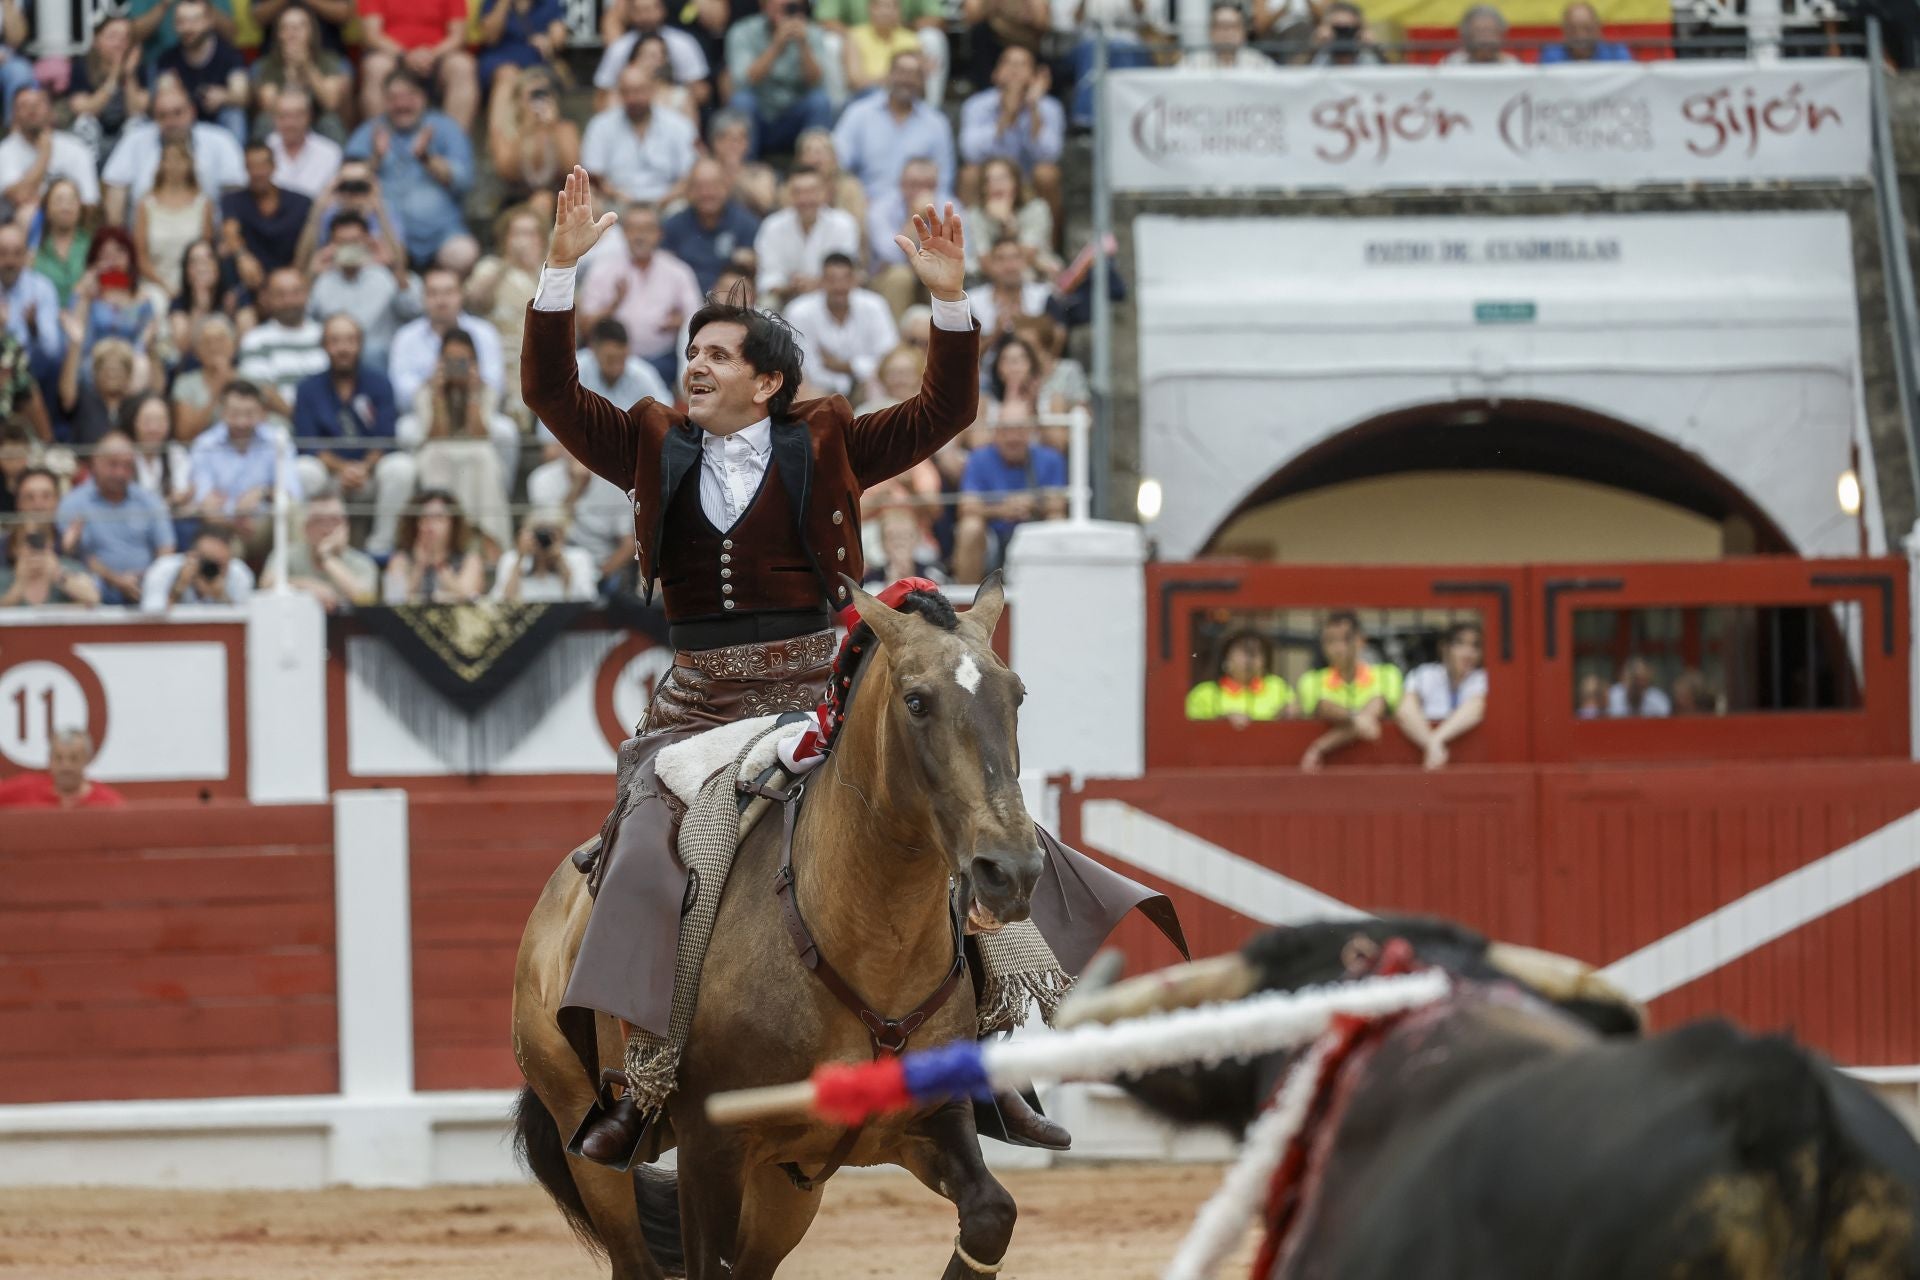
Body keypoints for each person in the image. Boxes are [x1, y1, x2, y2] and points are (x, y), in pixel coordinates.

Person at [525, 164, 1168, 1161]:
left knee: (957, 811)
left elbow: (936, 417)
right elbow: (552, 393)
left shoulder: (820, 438)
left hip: (810, 688)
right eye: (691, 350)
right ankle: (646, 1080)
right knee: (643, 855)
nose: (694, 365)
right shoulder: (652, 440)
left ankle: (1003, 1063)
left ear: (769, 380)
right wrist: (557, 277)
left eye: (719, 353)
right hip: (695, 705)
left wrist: (951, 302)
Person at [292, 313, 416, 555]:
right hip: (330, 476)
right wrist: (342, 469)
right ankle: (304, 549)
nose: (343, 348)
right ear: (325, 346)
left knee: (402, 467)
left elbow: (386, 439)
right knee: (302, 470)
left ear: (360, 344)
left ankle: (382, 548)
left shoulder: (379, 383)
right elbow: (307, 443)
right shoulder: (308, 388)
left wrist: (363, 468)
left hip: (368, 475)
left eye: (349, 340)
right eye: (335, 341)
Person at [344, 71, 478, 273]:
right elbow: (347, 180)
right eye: (394, 98)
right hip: (384, 235)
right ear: (384, 101)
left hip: (441, 235)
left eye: (410, 96)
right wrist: (376, 160)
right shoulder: (371, 130)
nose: (402, 105)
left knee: (463, 253)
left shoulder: (444, 127)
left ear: (424, 97)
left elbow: (464, 180)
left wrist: (427, 159)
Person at [398, 329, 513, 553]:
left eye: (463, 361)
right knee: (436, 454)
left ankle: (490, 540)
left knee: (485, 456)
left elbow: (479, 435)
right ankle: (438, 529)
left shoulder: (485, 390)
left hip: (474, 453)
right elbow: (435, 436)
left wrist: (472, 394)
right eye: (450, 361)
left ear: (474, 362)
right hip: (438, 452)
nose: (456, 367)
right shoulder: (426, 392)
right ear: (440, 362)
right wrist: (438, 396)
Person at [577, 203, 705, 393]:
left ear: (659, 234)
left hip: (662, 362)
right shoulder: (602, 269)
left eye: (647, 229)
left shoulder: (678, 272)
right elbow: (585, 327)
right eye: (633, 229)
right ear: (624, 233)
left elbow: (697, 323)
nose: (640, 236)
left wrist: (680, 321)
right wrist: (612, 306)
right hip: (609, 363)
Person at [102, 77, 246, 227]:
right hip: (144, 239)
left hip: (206, 242)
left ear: (192, 112)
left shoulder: (221, 140)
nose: (171, 122)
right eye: (162, 115)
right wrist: (117, 235)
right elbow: (115, 187)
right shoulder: (134, 140)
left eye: (177, 113)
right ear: (154, 118)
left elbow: (235, 192)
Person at [56, 432, 177, 604]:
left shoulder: (149, 501)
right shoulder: (74, 504)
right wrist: (116, 580)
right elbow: (81, 557)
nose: (120, 473)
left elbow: (165, 551)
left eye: (127, 466)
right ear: (95, 462)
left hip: (144, 587)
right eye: (112, 465)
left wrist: (146, 578)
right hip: (95, 590)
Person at [832, 51, 953, 203]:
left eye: (914, 74)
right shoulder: (859, 113)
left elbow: (944, 178)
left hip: (918, 209)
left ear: (922, 81)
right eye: (901, 72)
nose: (907, 80)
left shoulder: (936, 123)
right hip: (867, 204)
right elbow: (838, 159)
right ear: (889, 75)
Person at [306, 210, 422, 369]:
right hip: (333, 360)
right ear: (331, 246)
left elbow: (415, 310)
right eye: (342, 242)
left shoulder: (386, 276)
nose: (349, 247)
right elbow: (302, 321)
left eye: (354, 241)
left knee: (372, 352)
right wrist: (309, 277)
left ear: (368, 242)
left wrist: (394, 268)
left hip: (380, 360)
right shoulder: (322, 281)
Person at [952, 418, 1065, 581]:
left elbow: (1058, 506)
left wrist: (1032, 504)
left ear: (1030, 433)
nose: (1013, 438)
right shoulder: (978, 458)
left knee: (1057, 523)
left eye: (1019, 431)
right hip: (991, 533)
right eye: (1006, 431)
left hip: (1034, 527)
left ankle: (1054, 592)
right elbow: (965, 507)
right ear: (995, 434)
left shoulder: (1050, 459)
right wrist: (1001, 509)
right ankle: (967, 602)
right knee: (970, 527)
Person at [725, 0, 835, 159]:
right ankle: (746, 171)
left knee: (819, 101)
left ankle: (814, 171)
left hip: (794, 115)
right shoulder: (743, 30)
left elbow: (816, 81)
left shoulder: (812, 32)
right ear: (764, 4)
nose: (783, 4)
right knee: (742, 101)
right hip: (759, 115)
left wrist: (803, 45)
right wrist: (777, 45)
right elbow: (744, 80)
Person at [957, 46, 1060, 216]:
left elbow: (1049, 155)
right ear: (995, 74)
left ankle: (1048, 242)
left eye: (1022, 64)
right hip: (989, 179)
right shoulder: (976, 105)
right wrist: (1006, 117)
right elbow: (970, 153)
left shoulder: (1049, 108)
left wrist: (1033, 110)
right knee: (969, 175)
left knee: (1047, 174)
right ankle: (967, 240)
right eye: (1008, 63)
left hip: (1028, 182)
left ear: (1035, 76)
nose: (1015, 70)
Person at [582, 62, 701, 208]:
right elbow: (594, 176)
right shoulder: (600, 125)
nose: (633, 98)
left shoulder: (679, 125)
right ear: (619, 93)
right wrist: (616, 195)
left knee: (682, 208)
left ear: (653, 89)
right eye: (627, 92)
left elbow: (690, 174)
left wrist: (666, 199)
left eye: (638, 91)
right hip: (617, 201)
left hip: (668, 201)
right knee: (592, 206)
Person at [387, 265, 507, 408]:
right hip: (424, 415)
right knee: (406, 429)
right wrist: (431, 385)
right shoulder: (405, 337)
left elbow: (497, 385)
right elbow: (400, 393)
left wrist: (472, 382)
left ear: (461, 295)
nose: (441, 300)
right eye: (433, 293)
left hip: (476, 409)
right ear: (423, 297)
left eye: (448, 292)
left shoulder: (484, 332)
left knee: (505, 429)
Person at [782, 252, 899, 400]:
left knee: (884, 385)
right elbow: (804, 366)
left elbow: (888, 357)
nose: (839, 286)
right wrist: (844, 380)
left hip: (866, 385)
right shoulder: (799, 311)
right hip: (819, 389)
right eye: (832, 280)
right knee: (803, 391)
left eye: (845, 279)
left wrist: (848, 366)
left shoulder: (875, 305)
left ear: (854, 280)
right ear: (821, 281)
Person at [1298, 611, 1403, 772]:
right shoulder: (1311, 680)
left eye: (1345, 639)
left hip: (1381, 767)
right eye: (1330, 641)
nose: (1338, 647)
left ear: (1361, 640)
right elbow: (1324, 707)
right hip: (1330, 772)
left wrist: (1322, 745)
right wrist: (1357, 717)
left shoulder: (1388, 673)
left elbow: (1379, 704)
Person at [357, 0, 480, 133]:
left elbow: (457, 36)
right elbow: (372, 35)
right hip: (393, 55)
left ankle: (454, 142)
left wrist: (431, 55)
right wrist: (405, 55)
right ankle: (381, 141)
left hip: (438, 57)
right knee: (376, 66)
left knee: (462, 66)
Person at [753, 166, 863, 307]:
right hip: (786, 297)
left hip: (830, 295)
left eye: (811, 192)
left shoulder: (843, 224)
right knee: (766, 304)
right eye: (798, 192)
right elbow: (768, 277)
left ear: (824, 193)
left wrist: (817, 283)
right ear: (789, 194)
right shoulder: (772, 226)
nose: (805, 199)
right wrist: (790, 287)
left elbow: (846, 270)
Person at [261, 485, 380, 610]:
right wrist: (306, 585)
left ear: (346, 526)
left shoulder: (362, 562)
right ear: (305, 529)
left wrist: (327, 557)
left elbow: (366, 599)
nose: (326, 529)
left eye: (334, 520)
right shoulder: (287, 554)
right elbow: (266, 584)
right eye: (318, 521)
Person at [0, 86, 103, 226]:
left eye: (38, 104)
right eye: (24, 105)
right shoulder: (5, 151)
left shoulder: (75, 148)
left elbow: (90, 202)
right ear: (14, 114)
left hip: (71, 224)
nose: (32, 110)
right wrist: (44, 155)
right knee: (28, 215)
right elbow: (20, 196)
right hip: (19, 228)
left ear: (50, 110)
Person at [660, 158, 763, 294]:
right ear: (688, 191)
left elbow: (754, 276)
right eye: (699, 187)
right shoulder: (673, 225)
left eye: (713, 186)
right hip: (684, 300)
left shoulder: (747, 224)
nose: (706, 193)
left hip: (730, 304)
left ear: (726, 186)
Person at [1395, 620, 1488, 770]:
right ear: (1444, 648)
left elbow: (1477, 708)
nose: (1468, 652)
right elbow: (1405, 711)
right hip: (1428, 758)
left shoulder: (1484, 678)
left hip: (1473, 763)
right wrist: (1432, 745)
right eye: (1460, 644)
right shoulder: (1424, 674)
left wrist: (1435, 741)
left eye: (1475, 646)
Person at [237, 267, 328, 419]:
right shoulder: (256, 340)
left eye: (296, 292)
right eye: (280, 294)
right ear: (267, 298)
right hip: (278, 420)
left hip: (325, 417)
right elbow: (260, 389)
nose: (289, 301)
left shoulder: (326, 335)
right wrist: (299, 418)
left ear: (307, 294)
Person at [251, 8, 352, 143]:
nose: (292, 34)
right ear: (278, 34)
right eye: (286, 28)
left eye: (298, 28)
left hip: (317, 118)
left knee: (330, 122)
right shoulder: (265, 65)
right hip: (282, 119)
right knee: (264, 122)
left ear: (311, 32)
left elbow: (330, 102)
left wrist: (307, 67)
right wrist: (291, 73)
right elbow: (268, 105)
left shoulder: (329, 61)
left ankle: (342, 164)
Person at [156, 0, 251, 143]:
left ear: (210, 21)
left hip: (220, 121)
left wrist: (224, 96)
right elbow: (164, 97)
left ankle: (234, 163)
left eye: (194, 21)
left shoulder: (230, 55)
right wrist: (182, 99)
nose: (187, 27)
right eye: (181, 21)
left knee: (234, 114)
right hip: (183, 120)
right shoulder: (168, 59)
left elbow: (242, 96)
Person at [593, 0, 712, 112]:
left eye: (649, 9)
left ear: (662, 10)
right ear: (630, 13)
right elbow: (602, 97)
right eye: (639, 11)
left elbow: (701, 93)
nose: (645, 16)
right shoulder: (619, 47)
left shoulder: (683, 43)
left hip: (673, 112)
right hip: (629, 111)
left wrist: (668, 96)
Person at [489, 67, 580, 208]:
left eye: (544, 94)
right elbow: (507, 172)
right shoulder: (506, 130)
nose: (539, 100)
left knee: (543, 200)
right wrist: (526, 130)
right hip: (516, 200)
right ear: (518, 101)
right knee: (540, 201)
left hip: (559, 198)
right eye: (533, 95)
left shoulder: (564, 128)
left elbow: (571, 169)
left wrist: (553, 128)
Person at [67, 15, 151, 164]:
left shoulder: (139, 69)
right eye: (113, 37)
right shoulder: (82, 66)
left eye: (126, 38)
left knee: (138, 123)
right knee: (84, 124)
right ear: (97, 40)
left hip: (124, 135)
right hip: (96, 136)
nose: (119, 43)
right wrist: (113, 77)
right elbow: (83, 109)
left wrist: (129, 75)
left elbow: (137, 110)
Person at [134, 139, 213, 296]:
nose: (174, 165)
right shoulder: (146, 204)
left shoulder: (203, 204)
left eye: (179, 160)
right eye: (168, 159)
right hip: (155, 284)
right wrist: (165, 286)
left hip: (194, 284)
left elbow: (206, 252)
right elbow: (141, 258)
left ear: (190, 164)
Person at [866, 155, 940, 315]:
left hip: (932, 271)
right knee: (900, 277)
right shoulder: (881, 208)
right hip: (888, 275)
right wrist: (915, 217)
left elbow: (960, 252)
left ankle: (945, 338)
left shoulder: (949, 207)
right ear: (901, 184)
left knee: (940, 276)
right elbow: (890, 254)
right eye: (913, 184)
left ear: (935, 187)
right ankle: (896, 340)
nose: (919, 191)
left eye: (926, 185)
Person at [383, 487, 486, 603]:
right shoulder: (400, 560)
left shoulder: (470, 560)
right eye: (425, 517)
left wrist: (440, 565)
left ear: (453, 523)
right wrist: (419, 567)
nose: (430, 526)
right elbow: (394, 602)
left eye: (438, 518)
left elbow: (469, 598)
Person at [964, 156, 1055, 279]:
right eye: (989, 180)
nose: (996, 184)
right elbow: (984, 261)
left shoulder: (1036, 208)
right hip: (990, 279)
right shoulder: (976, 214)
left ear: (1016, 183)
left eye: (1002, 178)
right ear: (983, 188)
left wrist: (1007, 222)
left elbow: (1027, 257)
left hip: (1034, 274)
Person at [142, 521, 256, 611]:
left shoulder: (239, 573)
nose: (213, 569)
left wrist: (222, 597)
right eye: (207, 561)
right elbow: (152, 616)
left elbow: (245, 624)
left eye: (221, 564)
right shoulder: (165, 568)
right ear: (191, 555)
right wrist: (178, 588)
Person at [0, 224, 63, 384]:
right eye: (3, 253)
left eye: (17, 253)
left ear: (27, 256)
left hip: (31, 375)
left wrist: (33, 330)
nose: (10, 261)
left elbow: (52, 352)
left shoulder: (42, 289)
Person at [1186, 630, 1290, 725]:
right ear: (1226, 657)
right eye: (1244, 650)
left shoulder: (1277, 686)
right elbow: (1190, 731)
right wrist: (1223, 721)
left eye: (1258, 651)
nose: (1251, 657)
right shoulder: (1204, 692)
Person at [0, 729, 125, 808]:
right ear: (50, 760)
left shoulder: (107, 803)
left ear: (87, 760)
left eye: (74, 758)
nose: (66, 766)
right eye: (59, 758)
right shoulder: (26, 789)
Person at [492, 510, 598, 602]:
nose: (544, 539)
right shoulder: (511, 558)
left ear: (563, 534)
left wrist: (561, 561)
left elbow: (586, 599)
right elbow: (503, 601)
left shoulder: (578, 557)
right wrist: (520, 558)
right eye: (539, 532)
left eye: (552, 533)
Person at [58, 334, 141, 448]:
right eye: (105, 368)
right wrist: (75, 345)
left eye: (118, 369)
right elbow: (67, 396)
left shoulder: (136, 406)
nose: (112, 373)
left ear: (129, 375)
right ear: (95, 373)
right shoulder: (84, 400)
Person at [265, 87, 344, 200]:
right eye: (283, 116)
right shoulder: (262, 151)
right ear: (273, 118)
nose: (290, 123)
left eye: (297, 116)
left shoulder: (330, 153)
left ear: (309, 116)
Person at [0, 521, 102, 607]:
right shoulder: (3, 577)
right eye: (26, 542)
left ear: (50, 543)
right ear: (14, 548)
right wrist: (20, 584)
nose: (33, 549)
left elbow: (93, 598)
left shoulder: (70, 568)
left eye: (38, 541)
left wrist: (59, 576)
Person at [171, 315, 240, 439]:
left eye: (220, 340)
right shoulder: (185, 383)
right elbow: (185, 435)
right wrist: (216, 390)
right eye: (206, 342)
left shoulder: (248, 378)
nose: (214, 347)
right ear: (196, 352)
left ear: (233, 345)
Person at [971, 233, 1051, 337]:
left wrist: (1024, 322)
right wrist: (996, 333)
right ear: (990, 265)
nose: (1009, 266)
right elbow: (964, 351)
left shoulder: (1044, 295)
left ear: (1024, 262)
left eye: (1015, 258)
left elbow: (1057, 334)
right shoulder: (972, 301)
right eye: (1001, 259)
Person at [706, 110, 780, 219]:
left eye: (741, 139)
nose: (734, 145)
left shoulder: (759, 172)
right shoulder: (704, 172)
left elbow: (765, 203)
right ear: (715, 142)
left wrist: (736, 174)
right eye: (728, 139)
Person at [842, 0, 923, 97]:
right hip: (866, 95)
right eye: (880, 7)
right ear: (870, 9)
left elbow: (916, 79)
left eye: (891, 7)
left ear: (899, 11)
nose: (886, 12)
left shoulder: (910, 38)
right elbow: (855, 82)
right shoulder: (855, 35)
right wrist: (893, 79)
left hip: (902, 94)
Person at [32, 179, 93, 307]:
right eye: (59, 200)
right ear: (46, 208)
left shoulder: (93, 246)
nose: (65, 207)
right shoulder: (33, 253)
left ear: (80, 208)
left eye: (71, 201)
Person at [1181, 1, 1278, 68]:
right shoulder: (1192, 65)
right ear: (1210, 31)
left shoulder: (1259, 64)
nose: (1227, 33)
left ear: (1243, 32)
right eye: (1221, 26)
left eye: (1233, 26)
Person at [1541, 1, 1632, 61]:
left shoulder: (1616, 53)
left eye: (1587, 29)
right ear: (1565, 31)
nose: (1581, 36)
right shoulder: (1551, 55)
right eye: (1573, 30)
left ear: (1597, 29)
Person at [1303, 2, 1384, 65]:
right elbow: (1296, 76)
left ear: (1359, 29)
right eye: (1337, 27)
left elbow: (1390, 77)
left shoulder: (1367, 57)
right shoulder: (1322, 56)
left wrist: (1375, 49)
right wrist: (1315, 46)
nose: (1343, 33)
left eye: (1349, 28)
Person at [1442, 4, 1518, 63]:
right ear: (1466, 34)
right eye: (1479, 31)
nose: (1485, 38)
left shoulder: (1511, 65)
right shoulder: (1453, 64)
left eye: (1490, 31)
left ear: (1500, 33)